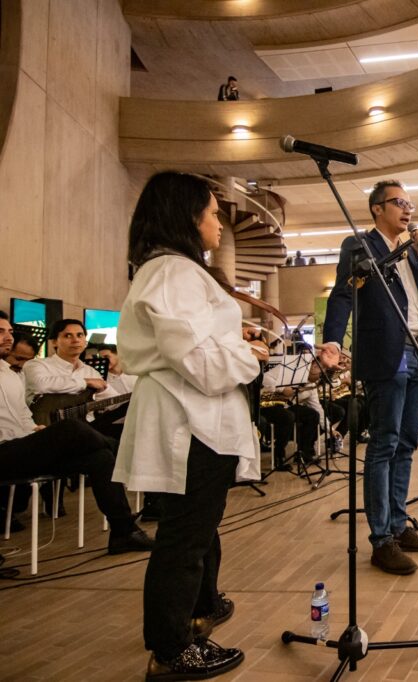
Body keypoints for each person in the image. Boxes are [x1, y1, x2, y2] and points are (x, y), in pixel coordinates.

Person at [114, 172, 260, 678]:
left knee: (196, 531)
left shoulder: (172, 270)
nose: (219, 222)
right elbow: (200, 361)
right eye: (213, 212)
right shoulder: (173, 271)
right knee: (184, 539)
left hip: (193, 417)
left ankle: (199, 613)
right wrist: (250, 355)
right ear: (186, 214)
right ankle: (172, 649)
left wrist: (236, 349)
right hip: (189, 420)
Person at [324, 179, 418, 575]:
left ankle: (398, 525)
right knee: (385, 443)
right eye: (399, 202)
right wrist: (330, 341)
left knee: (408, 442)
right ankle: (381, 540)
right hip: (387, 353)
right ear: (378, 208)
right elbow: (343, 295)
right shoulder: (360, 246)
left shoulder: (414, 252)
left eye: (410, 203)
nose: (408, 209)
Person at [0, 311, 153, 552]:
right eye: (1, 332)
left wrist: (32, 428)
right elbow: (41, 385)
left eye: (9, 331)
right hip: (5, 451)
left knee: (100, 458)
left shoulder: (8, 375)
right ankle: (128, 457)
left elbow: (21, 414)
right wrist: (85, 384)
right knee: (74, 428)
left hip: (24, 445)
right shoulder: (35, 366)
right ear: (54, 342)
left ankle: (124, 532)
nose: (8, 337)